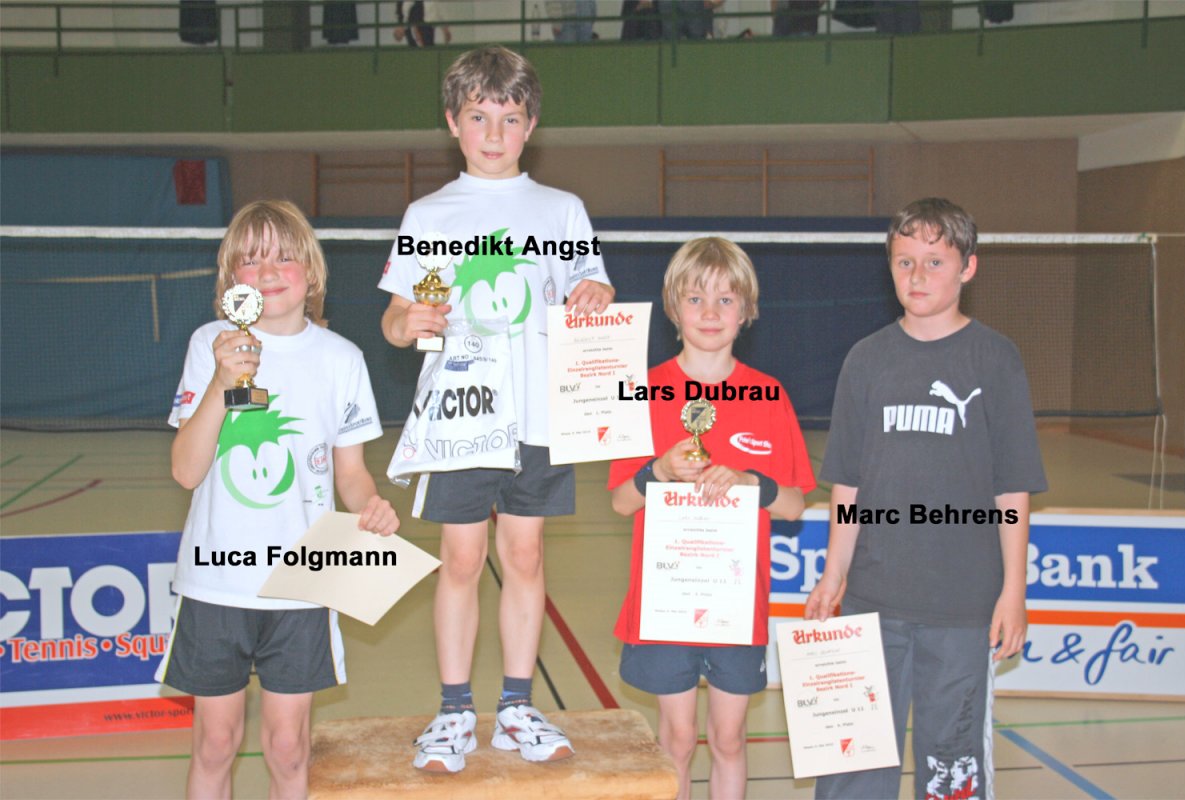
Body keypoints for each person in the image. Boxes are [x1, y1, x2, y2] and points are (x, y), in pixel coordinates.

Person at [379, 45, 614, 773]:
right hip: (460, 417)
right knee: (460, 557)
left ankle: (515, 706)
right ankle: (455, 710)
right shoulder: (428, 214)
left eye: (509, 119)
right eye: (479, 117)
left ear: (530, 125)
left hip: (539, 416)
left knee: (525, 555)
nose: (493, 133)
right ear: (453, 122)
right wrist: (408, 322)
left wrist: (597, 291)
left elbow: (593, 287)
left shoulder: (562, 211)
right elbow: (394, 317)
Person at [805, 198, 1047, 800]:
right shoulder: (866, 360)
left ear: (968, 267)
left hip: (962, 608)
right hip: (871, 600)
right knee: (853, 766)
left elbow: (1011, 486)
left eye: (934, 262)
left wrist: (1013, 590)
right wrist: (833, 573)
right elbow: (849, 483)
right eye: (904, 261)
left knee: (950, 772)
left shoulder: (996, 359)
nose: (917, 276)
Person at [158, 200, 400, 799]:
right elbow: (186, 472)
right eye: (250, 260)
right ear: (231, 281)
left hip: (302, 583)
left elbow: (351, 474)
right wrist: (222, 382)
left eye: (283, 258)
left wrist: (372, 506)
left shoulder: (341, 358)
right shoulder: (210, 344)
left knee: (290, 748)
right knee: (215, 743)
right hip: (217, 580)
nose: (267, 272)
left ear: (310, 272)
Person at [609, 237, 815, 800]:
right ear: (673, 308)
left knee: (728, 739)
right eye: (695, 298)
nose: (709, 312)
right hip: (665, 602)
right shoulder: (643, 391)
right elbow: (622, 502)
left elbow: (794, 505)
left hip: (735, 605)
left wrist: (752, 482)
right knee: (676, 739)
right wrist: (660, 470)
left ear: (746, 311)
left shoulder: (768, 395)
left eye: (725, 300)